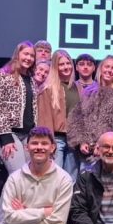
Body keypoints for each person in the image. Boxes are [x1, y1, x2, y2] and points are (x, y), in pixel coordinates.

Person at [0, 41, 38, 224]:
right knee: (17, 176)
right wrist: (6, 137)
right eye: (26, 54)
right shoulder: (3, 75)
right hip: (8, 134)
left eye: (32, 56)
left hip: (27, 136)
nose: (28, 58)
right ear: (18, 54)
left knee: (25, 180)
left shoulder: (31, 79)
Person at [67, 56, 113, 160]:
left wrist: (104, 144)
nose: (109, 70)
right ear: (101, 69)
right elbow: (77, 119)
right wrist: (81, 141)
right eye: (107, 67)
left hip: (110, 151)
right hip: (88, 151)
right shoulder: (88, 92)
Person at [38, 50, 80, 178]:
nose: (66, 67)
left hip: (74, 140)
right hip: (57, 139)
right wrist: (49, 142)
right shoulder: (48, 89)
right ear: (55, 67)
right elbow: (45, 119)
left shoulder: (77, 87)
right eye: (61, 64)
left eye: (68, 63)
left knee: (71, 179)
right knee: (54, 177)